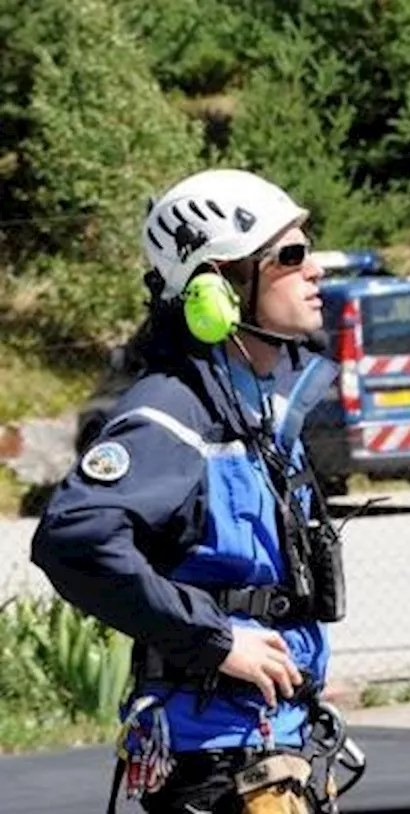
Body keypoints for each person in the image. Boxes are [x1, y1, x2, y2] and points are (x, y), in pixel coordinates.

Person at [30, 168, 362, 814]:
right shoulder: (172, 412)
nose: (315, 267)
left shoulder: (253, 411)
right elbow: (74, 539)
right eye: (290, 256)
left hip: (272, 751)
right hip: (218, 765)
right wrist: (218, 640)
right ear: (219, 289)